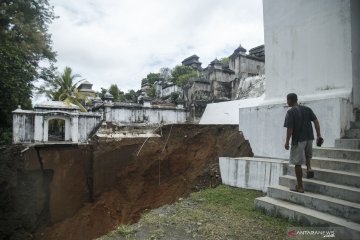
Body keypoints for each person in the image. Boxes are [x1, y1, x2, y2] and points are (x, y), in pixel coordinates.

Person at [284, 93, 322, 193]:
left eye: (287, 100)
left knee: (297, 163)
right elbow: (316, 122)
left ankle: (300, 187)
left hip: (298, 140)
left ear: (290, 100)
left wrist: (287, 141)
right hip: (310, 137)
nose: (287, 102)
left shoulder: (290, 112)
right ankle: (309, 168)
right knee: (308, 155)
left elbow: (290, 129)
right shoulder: (307, 109)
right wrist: (318, 135)